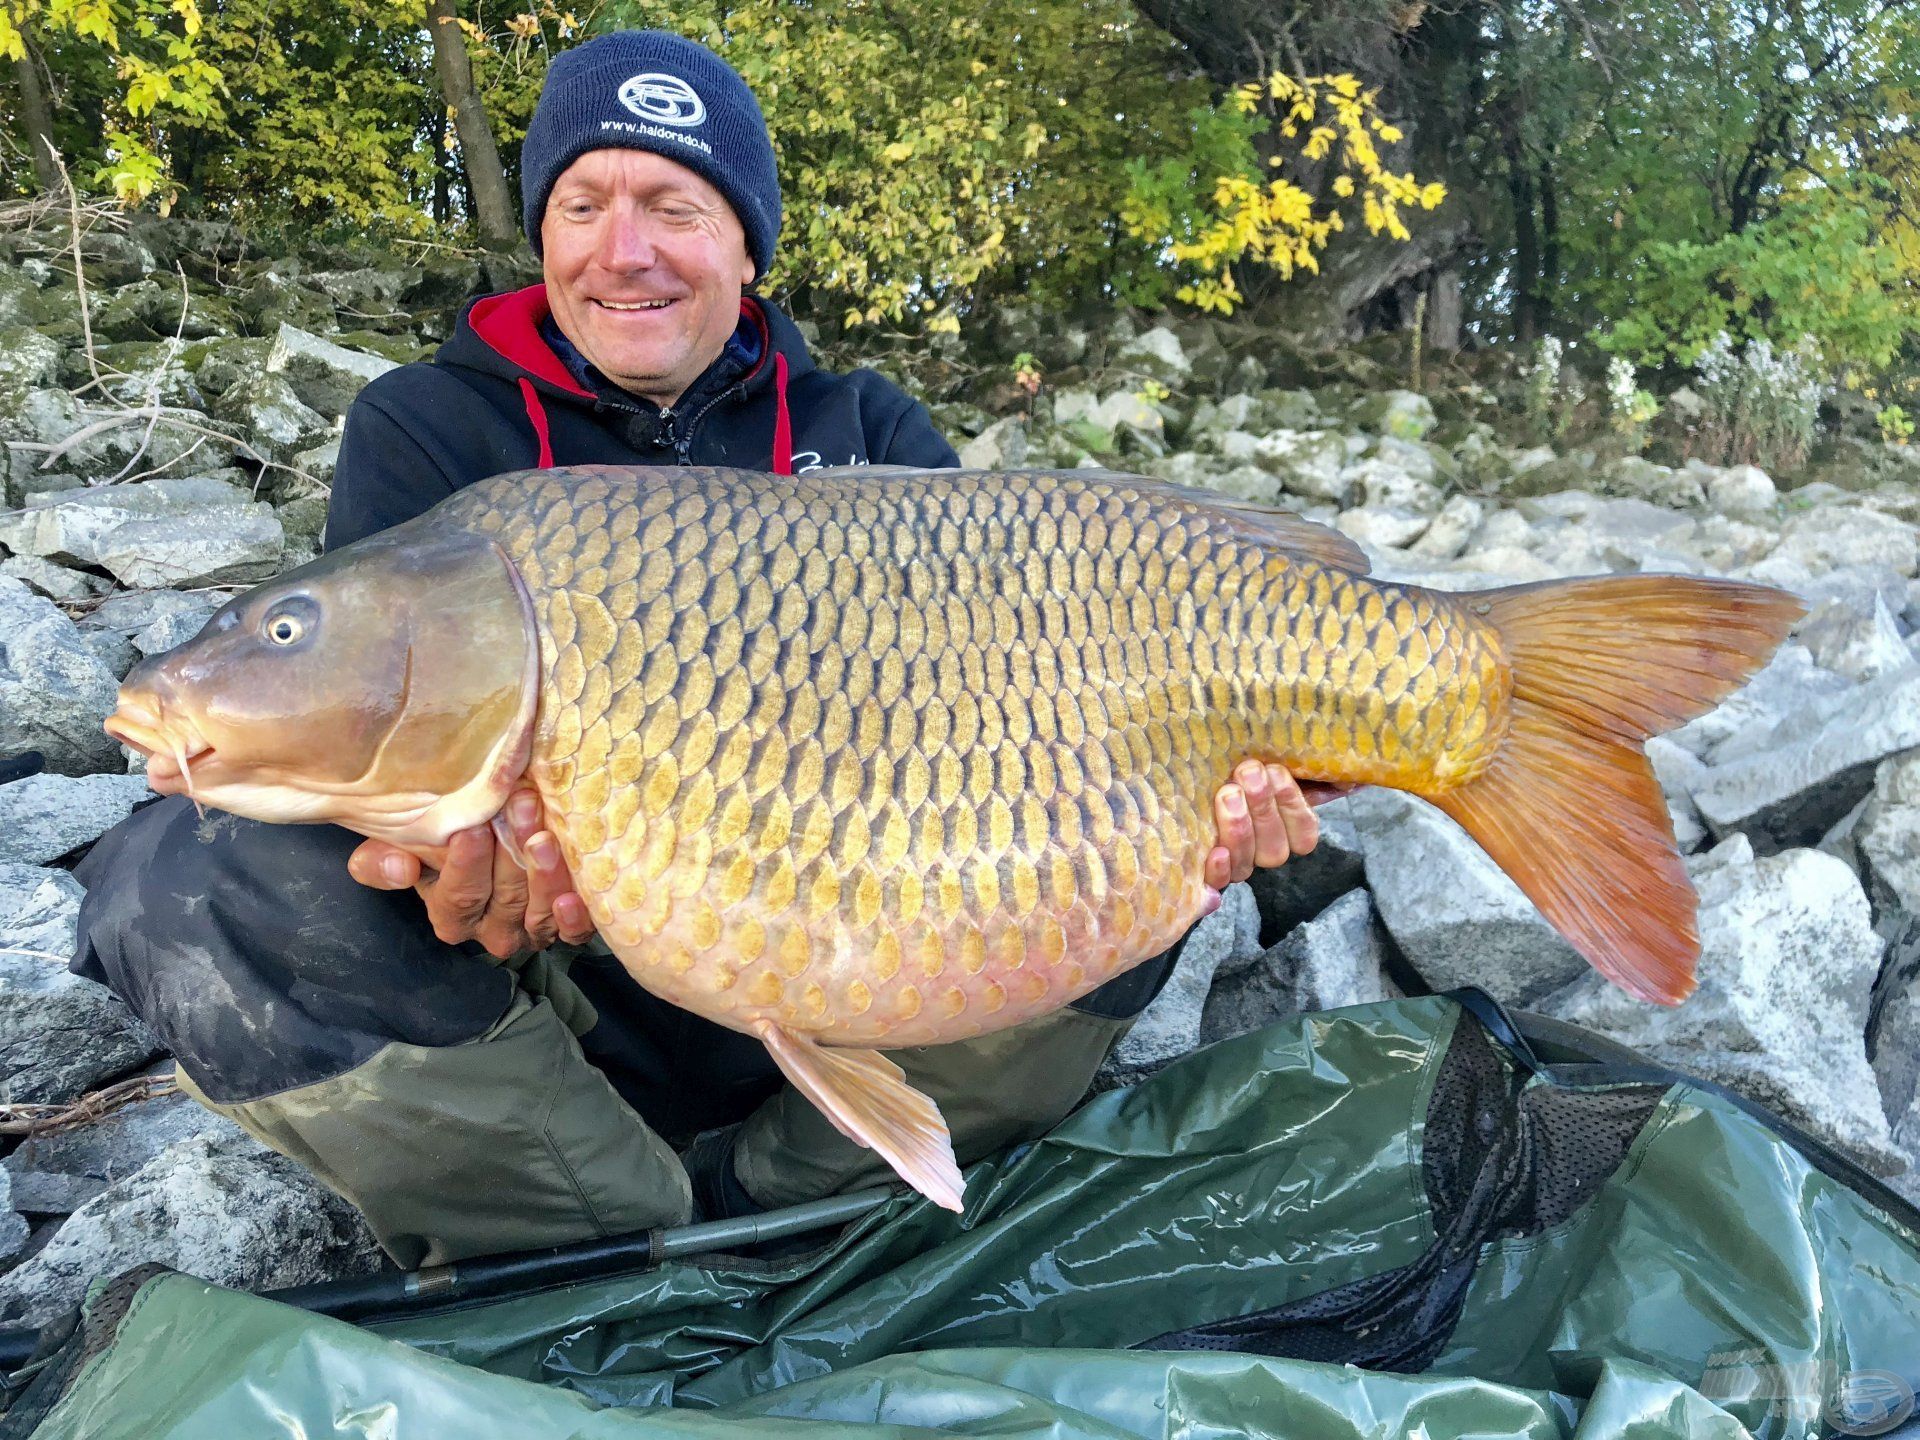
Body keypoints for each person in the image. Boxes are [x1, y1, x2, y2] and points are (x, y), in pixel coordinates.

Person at [72, 30, 1324, 1269]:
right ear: (545, 234)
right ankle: (604, 1237)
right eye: (583, 204)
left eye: (674, 204)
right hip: (545, 1027)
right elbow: (382, 776)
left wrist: (1194, 802)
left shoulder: (869, 427)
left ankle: (790, 1199)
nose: (626, 250)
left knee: (1144, 846)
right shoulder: (428, 428)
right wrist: (456, 853)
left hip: (870, 935)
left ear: (744, 241)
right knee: (181, 878)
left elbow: (1004, 711)